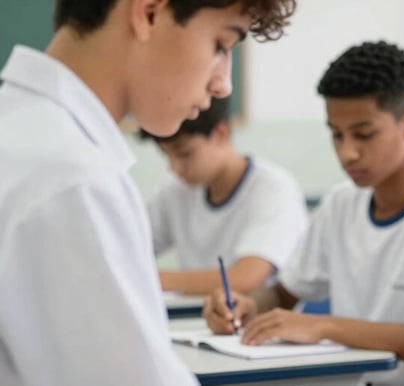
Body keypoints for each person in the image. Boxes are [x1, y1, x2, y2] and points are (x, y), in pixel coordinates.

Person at [0, 0, 294, 385]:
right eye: (220, 45)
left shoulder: (22, 131)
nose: (224, 84)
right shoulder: (74, 179)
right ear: (150, 13)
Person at [203, 40, 404, 385]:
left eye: (364, 134)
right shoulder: (341, 203)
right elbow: (283, 293)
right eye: (336, 135)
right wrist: (248, 305)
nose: (347, 153)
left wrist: (325, 326)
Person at [140, 96, 308, 295]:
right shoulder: (174, 191)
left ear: (221, 134)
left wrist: (148, 278)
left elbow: (247, 278)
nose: (174, 168)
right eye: (166, 155)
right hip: (192, 310)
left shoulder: (274, 188)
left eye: (185, 154)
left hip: (256, 313)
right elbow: (129, 244)